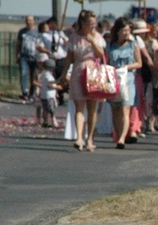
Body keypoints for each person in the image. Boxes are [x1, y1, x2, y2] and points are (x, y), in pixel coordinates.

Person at [62, 9, 106, 152]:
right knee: (79, 106)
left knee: (92, 108)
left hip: (93, 72)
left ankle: (90, 138)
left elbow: (101, 54)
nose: (92, 25)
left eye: (94, 22)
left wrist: (92, 41)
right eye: (89, 23)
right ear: (82, 23)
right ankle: (79, 137)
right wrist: (63, 74)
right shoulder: (74, 37)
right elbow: (69, 57)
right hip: (79, 71)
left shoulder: (98, 37)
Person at [107, 17, 141, 150]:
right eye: (123, 30)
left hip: (128, 79)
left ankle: (122, 138)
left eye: (128, 30)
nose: (126, 33)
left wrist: (126, 67)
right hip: (114, 79)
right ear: (117, 31)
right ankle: (118, 134)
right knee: (115, 109)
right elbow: (106, 61)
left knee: (125, 108)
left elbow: (139, 63)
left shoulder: (133, 45)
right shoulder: (110, 45)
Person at [37, 16, 69, 106]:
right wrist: (47, 51)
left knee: (61, 77)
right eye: (51, 24)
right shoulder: (45, 35)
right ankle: (54, 96)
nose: (53, 25)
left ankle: (62, 95)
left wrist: (63, 39)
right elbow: (40, 46)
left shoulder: (60, 34)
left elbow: (67, 43)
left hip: (61, 58)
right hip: (51, 58)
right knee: (52, 78)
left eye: (54, 24)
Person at [16, 15, 39, 102]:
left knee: (34, 76)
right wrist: (17, 55)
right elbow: (18, 44)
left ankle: (32, 93)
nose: (28, 22)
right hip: (24, 56)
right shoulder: (22, 32)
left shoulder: (37, 32)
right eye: (27, 20)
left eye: (30, 20)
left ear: (33, 21)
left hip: (34, 57)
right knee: (23, 73)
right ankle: (24, 92)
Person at [36, 57, 61, 127]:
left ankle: (45, 121)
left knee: (45, 109)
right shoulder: (48, 75)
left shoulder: (42, 74)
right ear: (51, 68)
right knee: (51, 109)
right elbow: (51, 84)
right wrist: (58, 86)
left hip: (44, 94)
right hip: (49, 95)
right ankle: (53, 120)